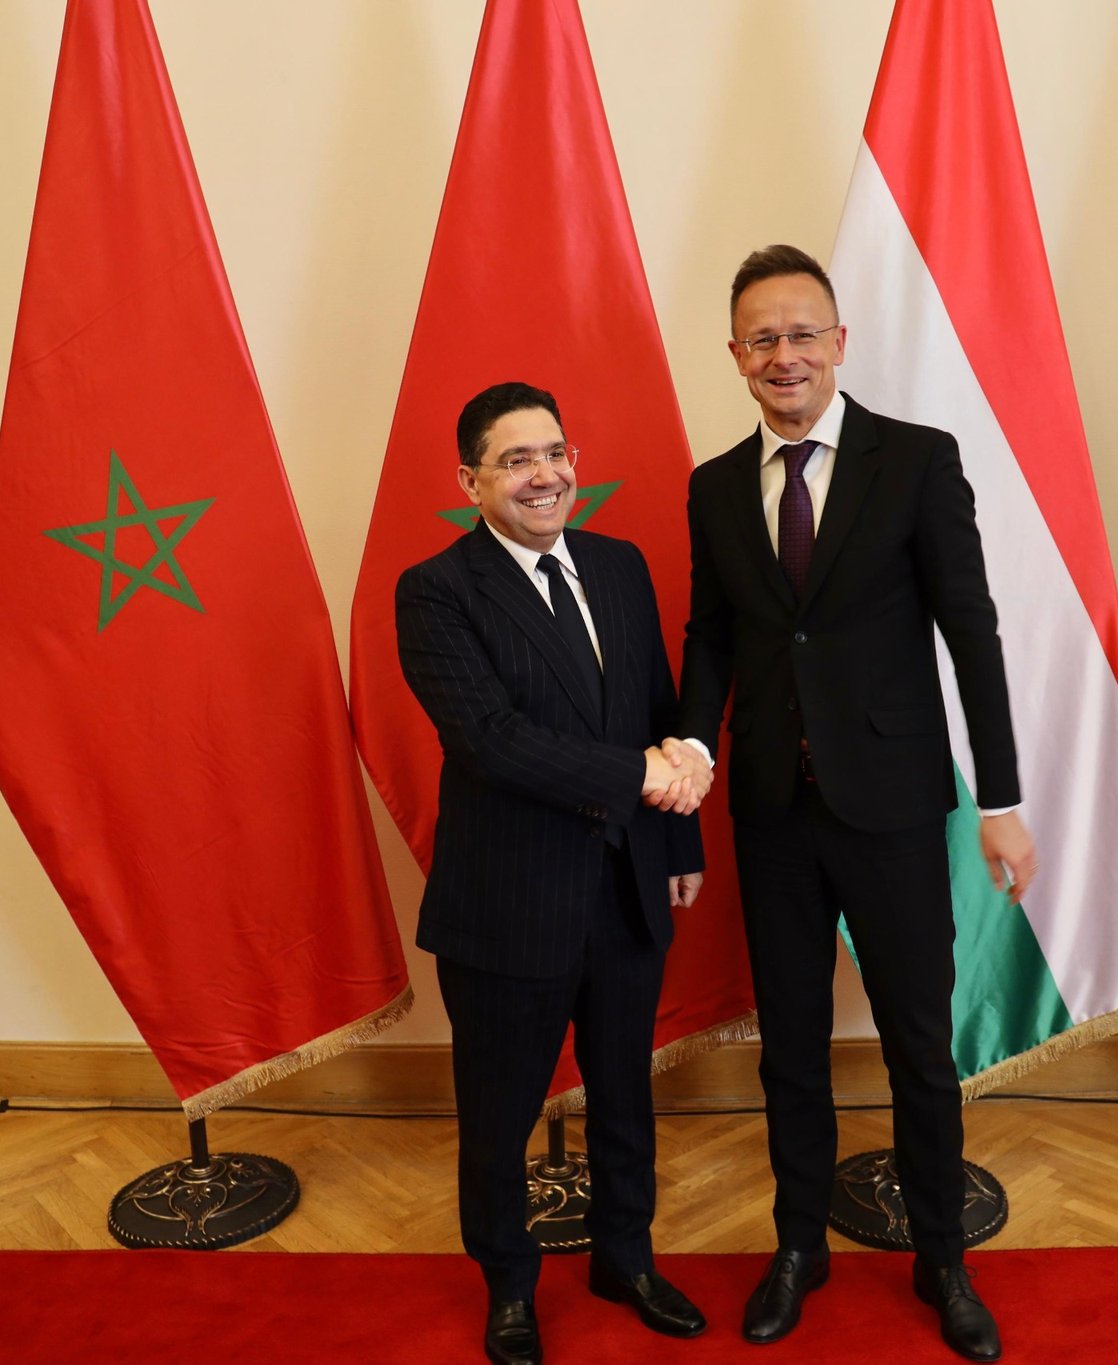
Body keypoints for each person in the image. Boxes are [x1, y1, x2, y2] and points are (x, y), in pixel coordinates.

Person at [671, 246, 1038, 1363]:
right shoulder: (713, 486)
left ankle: (941, 1257)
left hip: (891, 806)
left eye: (801, 333)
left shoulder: (916, 460)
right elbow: (710, 637)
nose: (783, 354)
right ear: (736, 356)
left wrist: (1001, 798)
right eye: (762, 338)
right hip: (771, 809)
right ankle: (799, 1245)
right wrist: (690, 759)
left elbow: (971, 632)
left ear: (838, 342)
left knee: (918, 1044)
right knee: (789, 1043)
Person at [396, 382, 711, 1365]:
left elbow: (656, 709)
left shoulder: (618, 565)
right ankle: (508, 1286)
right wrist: (640, 776)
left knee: (624, 1096)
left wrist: (678, 844)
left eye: (555, 453)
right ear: (471, 481)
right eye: (516, 459)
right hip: (507, 905)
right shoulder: (436, 589)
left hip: (625, 891)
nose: (544, 475)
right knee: (499, 1117)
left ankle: (625, 1258)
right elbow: (490, 740)